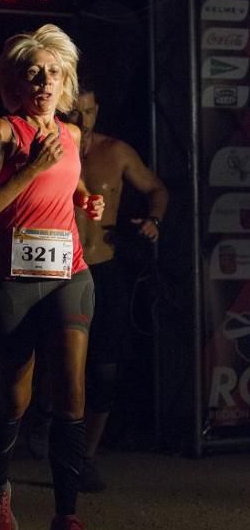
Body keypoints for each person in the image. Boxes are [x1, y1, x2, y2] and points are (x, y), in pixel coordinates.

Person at [0, 24, 105, 530]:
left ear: (65, 80)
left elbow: (73, 185)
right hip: (12, 283)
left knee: (71, 391)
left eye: (53, 72)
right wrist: (34, 169)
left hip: (70, 274)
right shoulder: (3, 132)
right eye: (33, 73)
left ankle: (66, 520)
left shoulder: (69, 135)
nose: (44, 81)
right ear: (15, 83)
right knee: (16, 398)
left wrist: (86, 202)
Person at [27, 87, 169, 491]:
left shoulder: (117, 152)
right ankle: (45, 412)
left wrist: (153, 220)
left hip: (103, 269)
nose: (83, 118)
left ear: (98, 109)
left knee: (104, 372)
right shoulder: (47, 148)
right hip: (57, 268)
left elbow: (157, 188)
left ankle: (85, 456)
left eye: (89, 110)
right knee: (55, 361)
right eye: (76, 110)